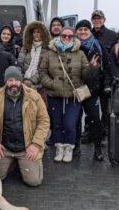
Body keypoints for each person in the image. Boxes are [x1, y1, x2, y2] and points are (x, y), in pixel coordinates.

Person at [39, 27, 99, 163]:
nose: (67, 38)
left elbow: (85, 74)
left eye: (70, 36)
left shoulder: (80, 53)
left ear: (73, 37)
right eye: (64, 36)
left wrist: (92, 67)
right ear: (59, 36)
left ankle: (69, 149)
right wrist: (52, 84)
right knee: (57, 123)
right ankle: (59, 148)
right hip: (54, 94)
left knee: (70, 124)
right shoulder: (49, 53)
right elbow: (42, 72)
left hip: (73, 95)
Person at [0, 66, 50, 187]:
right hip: (4, 148)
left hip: (26, 147)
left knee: (34, 181)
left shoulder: (34, 96)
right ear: (6, 81)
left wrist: (36, 144)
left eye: (16, 80)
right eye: (10, 80)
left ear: (21, 80)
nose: (13, 83)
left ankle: (25, 163)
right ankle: (13, 164)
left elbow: (44, 121)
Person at [75, 20, 109, 161]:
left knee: (94, 119)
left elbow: (107, 65)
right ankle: (76, 146)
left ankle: (98, 148)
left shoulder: (97, 45)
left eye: (85, 29)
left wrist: (106, 83)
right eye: (80, 29)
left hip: (93, 89)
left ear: (90, 31)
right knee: (76, 119)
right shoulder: (72, 45)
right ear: (76, 31)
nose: (83, 32)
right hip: (76, 88)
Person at [91, 10, 118, 137]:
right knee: (90, 107)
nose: (97, 20)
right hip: (91, 77)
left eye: (99, 18)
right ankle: (90, 129)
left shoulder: (112, 35)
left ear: (104, 20)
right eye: (94, 18)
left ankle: (104, 130)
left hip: (106, 78)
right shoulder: (87, 33)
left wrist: (114, 76)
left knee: (105, 108)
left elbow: (116, 57)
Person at [18, 21, 50, 89]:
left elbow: (43, 70)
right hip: (23, 80)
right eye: (34, 32)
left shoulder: (47, 49)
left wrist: (31, 81)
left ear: (43, 33)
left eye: (38, 32)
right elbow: (19, 64)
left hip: (38, 84)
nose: (36, 34)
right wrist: (21, 78)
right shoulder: (26, 47)